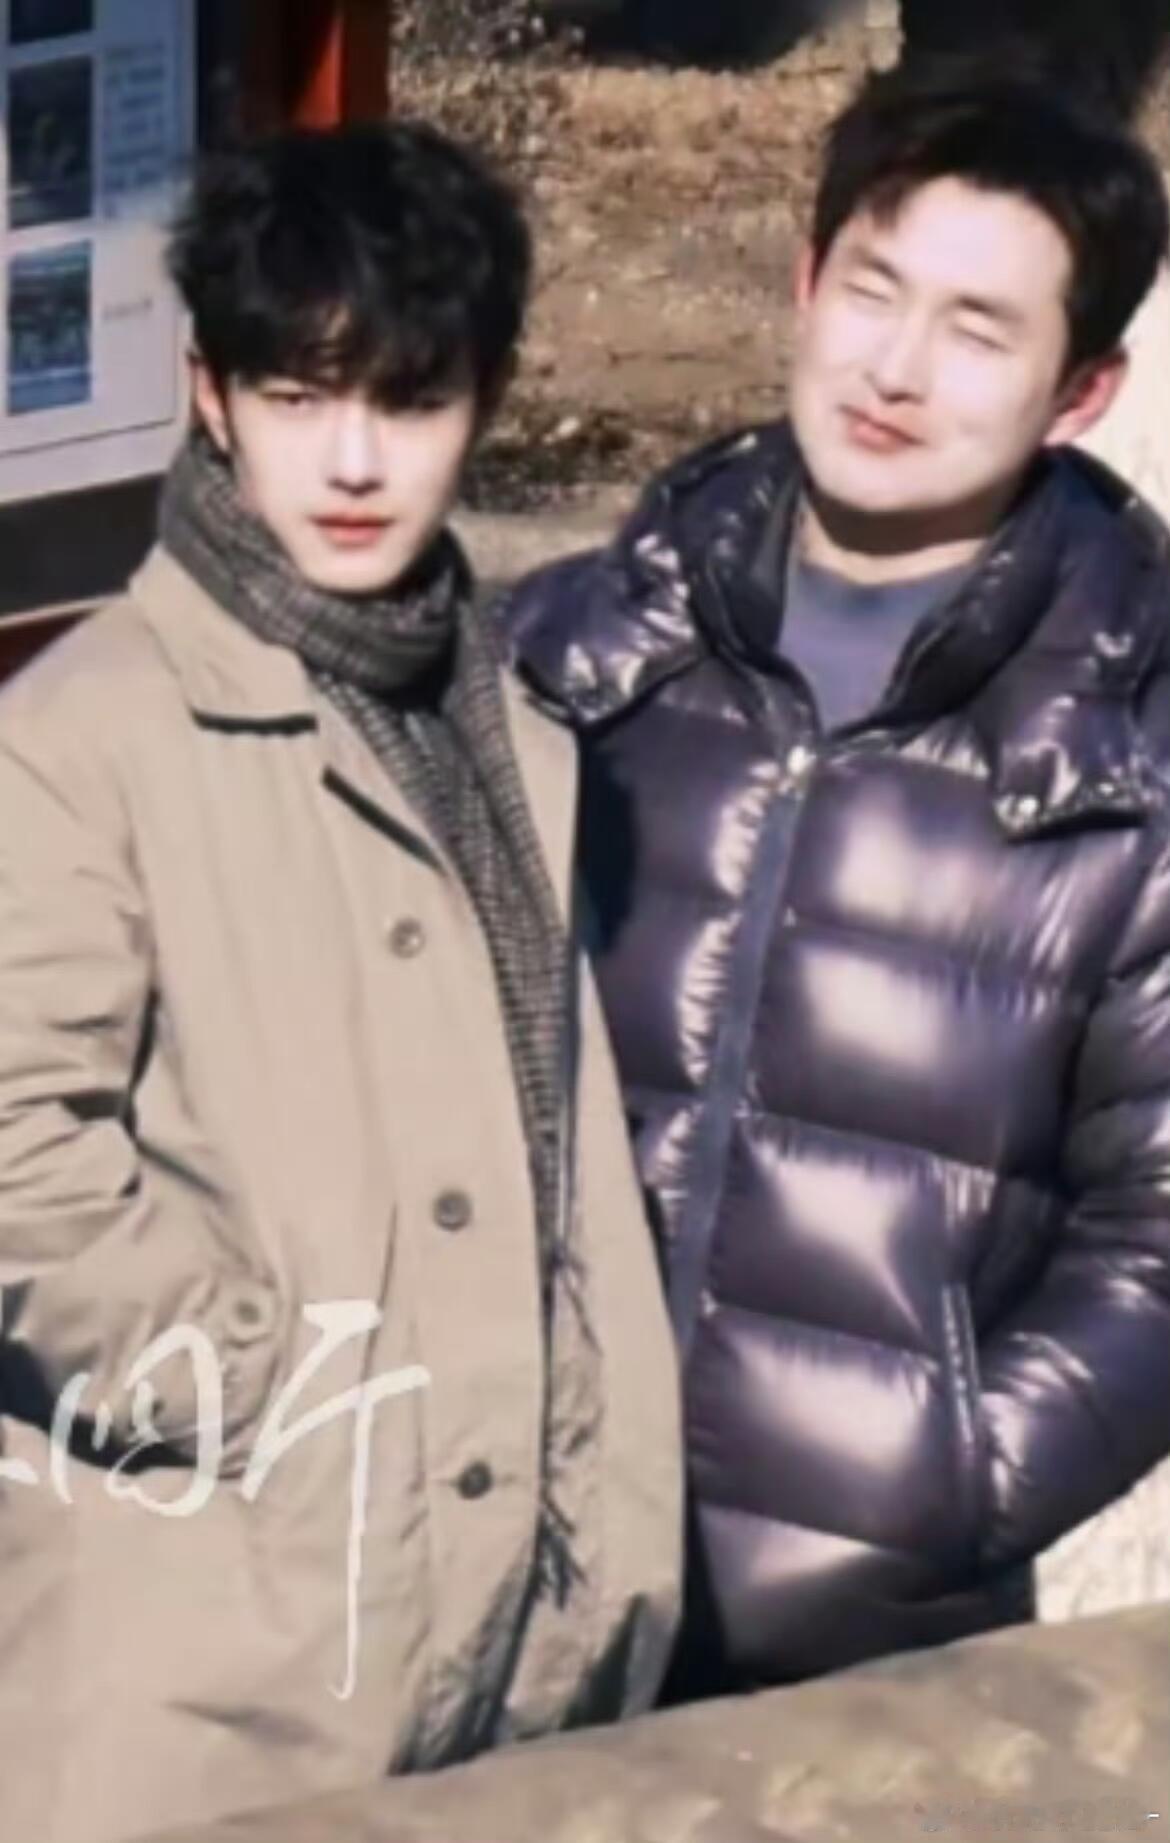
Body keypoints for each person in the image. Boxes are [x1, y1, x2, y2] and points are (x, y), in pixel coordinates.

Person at [0, 122, 681, 1843]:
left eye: (410, 399)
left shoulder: (514, 727)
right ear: (212, 396)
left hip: (523, 1646)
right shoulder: (80, 736)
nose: (355, 460)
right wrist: (273, 1399)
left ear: (485, 399)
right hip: (222, 1662)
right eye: (299, 398)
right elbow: (16, 1160)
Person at [502, 65, 1170, 1694]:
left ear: (1080, 391)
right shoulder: (568, 655)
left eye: (977, 330)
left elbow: (1155, 1235)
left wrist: (942, 1487)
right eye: (871, 290)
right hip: (495, 1600)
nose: (895, 368)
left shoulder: (1128, 769)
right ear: (805, 283)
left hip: (859, 1665)